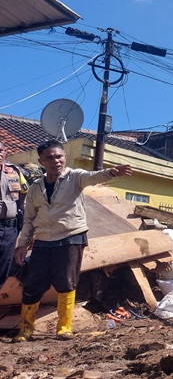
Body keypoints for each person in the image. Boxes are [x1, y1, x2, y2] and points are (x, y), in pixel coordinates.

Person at [13, 139, 133, 342]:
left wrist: (112, 172)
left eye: (59, 156)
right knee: (34, 284)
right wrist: (22, 244)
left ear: (64, 157)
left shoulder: (75, 177)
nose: (55, 161)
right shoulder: (35, 188)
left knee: (66, 282)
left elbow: (94, 177)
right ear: (42, 161)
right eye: (49, 158)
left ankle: (64, 328)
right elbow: (29, 219)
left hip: (71, 237)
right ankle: (25, 329)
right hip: (43, 240)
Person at [0, 140, 27, 289]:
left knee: (3, 269)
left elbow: (24, 196)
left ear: (5, 152)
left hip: (10, 229)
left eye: (0, 151)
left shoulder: (14, 172)